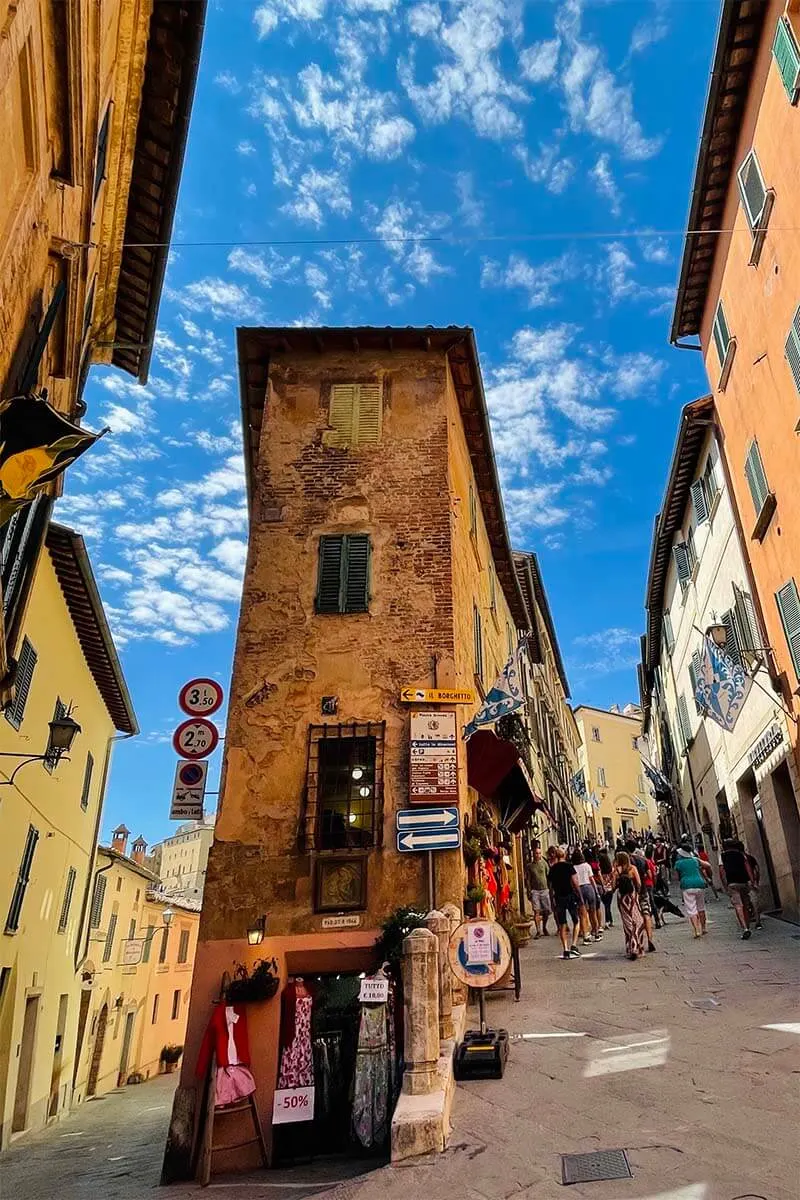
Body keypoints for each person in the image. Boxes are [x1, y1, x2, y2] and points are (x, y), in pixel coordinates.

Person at [548, 847, 583, 960]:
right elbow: (575, 882)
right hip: (569, 895)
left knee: (562, 924)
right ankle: (573, 944)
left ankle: (565, 949)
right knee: (576, 920)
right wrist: (579, 894)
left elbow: (550, 886)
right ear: (565, 855)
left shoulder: (552, 869)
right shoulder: (569, 866)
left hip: (559, 897)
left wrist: (552, 899)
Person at [613, 852, 647, 960]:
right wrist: (637, 893)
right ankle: (638, 947)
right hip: (632, 897)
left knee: (627, 922)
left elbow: (614, 886)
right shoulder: (632, 869)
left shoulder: (616, 871)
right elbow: (639, 883)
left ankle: (630, 947)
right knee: (638, 920)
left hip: (622, 898)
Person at [673, 838, 709, 938]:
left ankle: (697, 930)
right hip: (699, 884)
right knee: (701, 907)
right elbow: (708, 865)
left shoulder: (678, 863)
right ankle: (704, 928)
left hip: (687, 886)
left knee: (691, 909)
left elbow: (676, 877)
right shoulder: (695, 860)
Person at [719, 839, 755, 940]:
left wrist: (725, 884)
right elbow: (748, 867)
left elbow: (721, 871)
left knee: (738, 906)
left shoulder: (722, 856)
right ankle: (747, 926)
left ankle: (744, 928)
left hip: (732, 883)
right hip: (743, 882)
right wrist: (752, 881)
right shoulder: (741, 854)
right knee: (745, 906)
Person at [625, 839, 656, 953]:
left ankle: (637, 941)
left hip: (631, 892)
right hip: (643, 890)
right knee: (646, 913)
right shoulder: (643, 860)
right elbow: (650, 874)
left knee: (635, 918)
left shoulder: (627, 862)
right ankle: (650, 938)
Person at [572, 848, 602, 943]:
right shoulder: (586, 865)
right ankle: (596, 934)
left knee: (582, 914)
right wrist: (596, 892)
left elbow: (573, 881)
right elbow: (591, 879)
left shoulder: (573, 868)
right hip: (588, 887)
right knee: (593, 912)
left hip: (579, 889)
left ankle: (586, 936)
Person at [526, 844, 552, 938]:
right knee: (536, 911)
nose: (538, 855)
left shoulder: (544, 864)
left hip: (544, 889)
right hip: (535, 891)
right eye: (536, 853)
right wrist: (529, 891)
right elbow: (528, 879)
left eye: (539, 853)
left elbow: (548, 876)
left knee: (546, 911)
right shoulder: (529, 866)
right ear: (533, 854)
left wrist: (550, 889)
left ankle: (544, 927)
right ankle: (538, 930)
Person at [597, 850, 615, 928]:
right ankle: (609, 920)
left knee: (606, 905)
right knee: (608, 905)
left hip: (602, 888)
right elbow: (613, 878)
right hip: (610, 888)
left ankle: (609, 920)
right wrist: (613, 886)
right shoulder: (611, 869)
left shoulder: (600, 870)